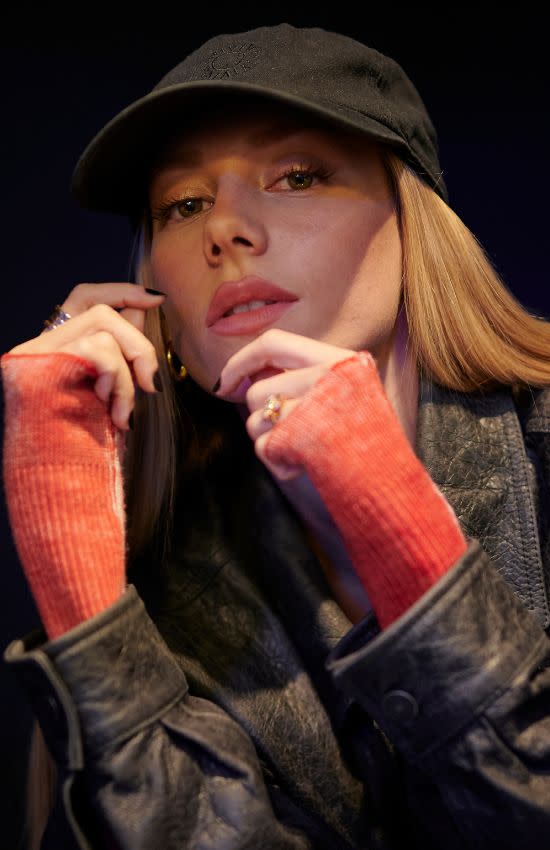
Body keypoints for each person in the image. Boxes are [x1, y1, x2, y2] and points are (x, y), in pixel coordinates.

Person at [2, 21, 550, 850]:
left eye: (296, 176)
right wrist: (79, 581)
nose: (226, 229)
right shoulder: (164, 566)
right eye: (184, 205)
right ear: (161, 301)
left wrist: (400, 533)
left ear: (412, 224)